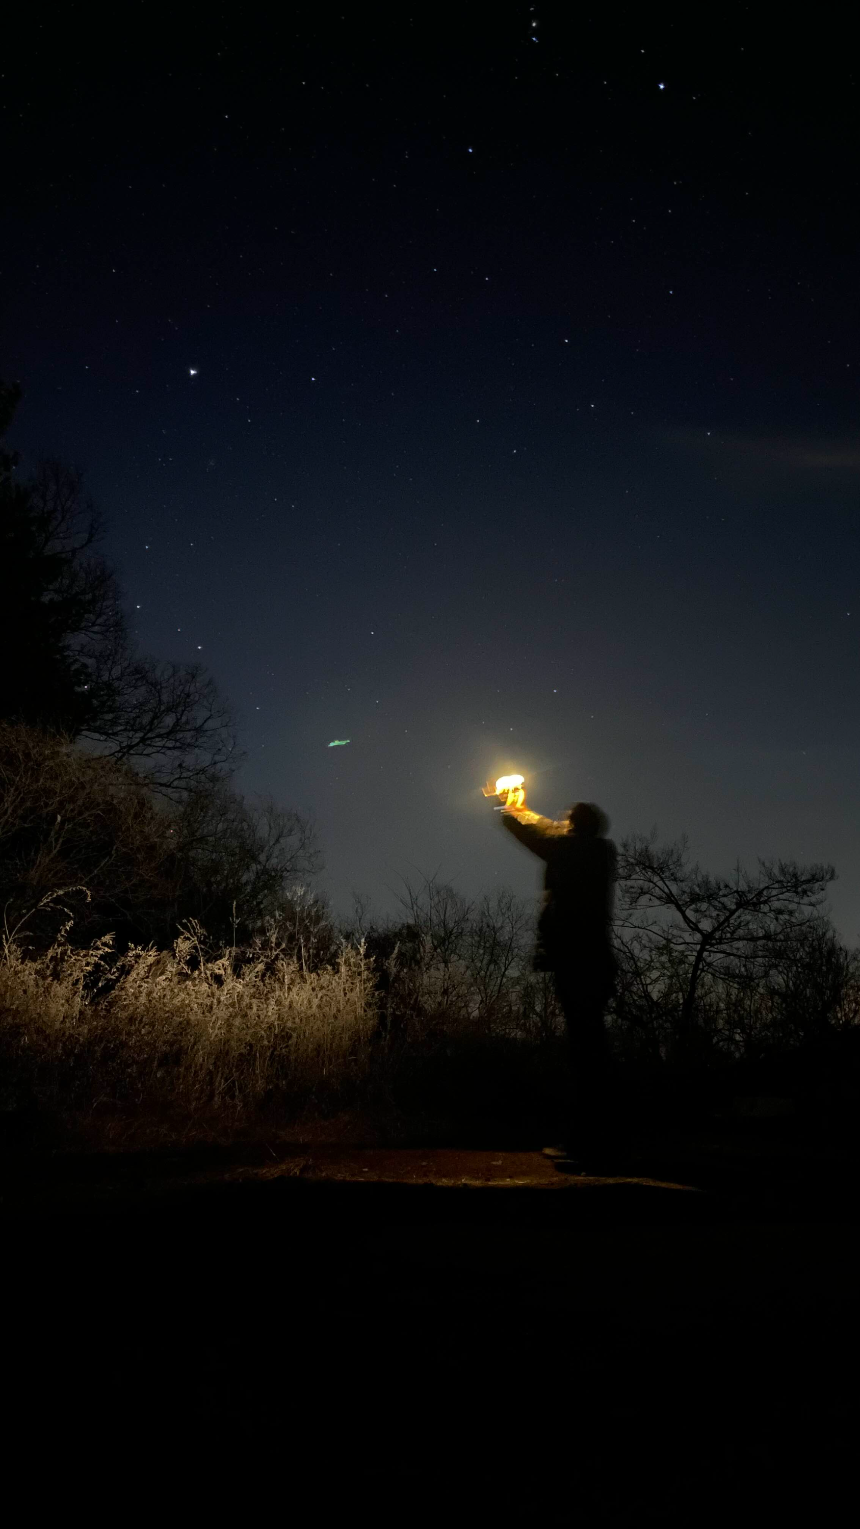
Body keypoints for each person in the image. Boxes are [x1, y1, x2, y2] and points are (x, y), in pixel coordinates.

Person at [492, 786, 624, 1168]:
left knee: (587, 1055)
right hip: (591, 961)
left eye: (566, 819)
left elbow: (540, 837)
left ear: (575, 826)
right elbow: (547, 831)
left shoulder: (576, 850)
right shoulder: (593, 850)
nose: (561, 822)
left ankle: (591, 1146)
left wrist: (509, 808)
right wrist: (521, 807)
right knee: (590, 1052)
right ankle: (597, 1141)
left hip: (580, 961)